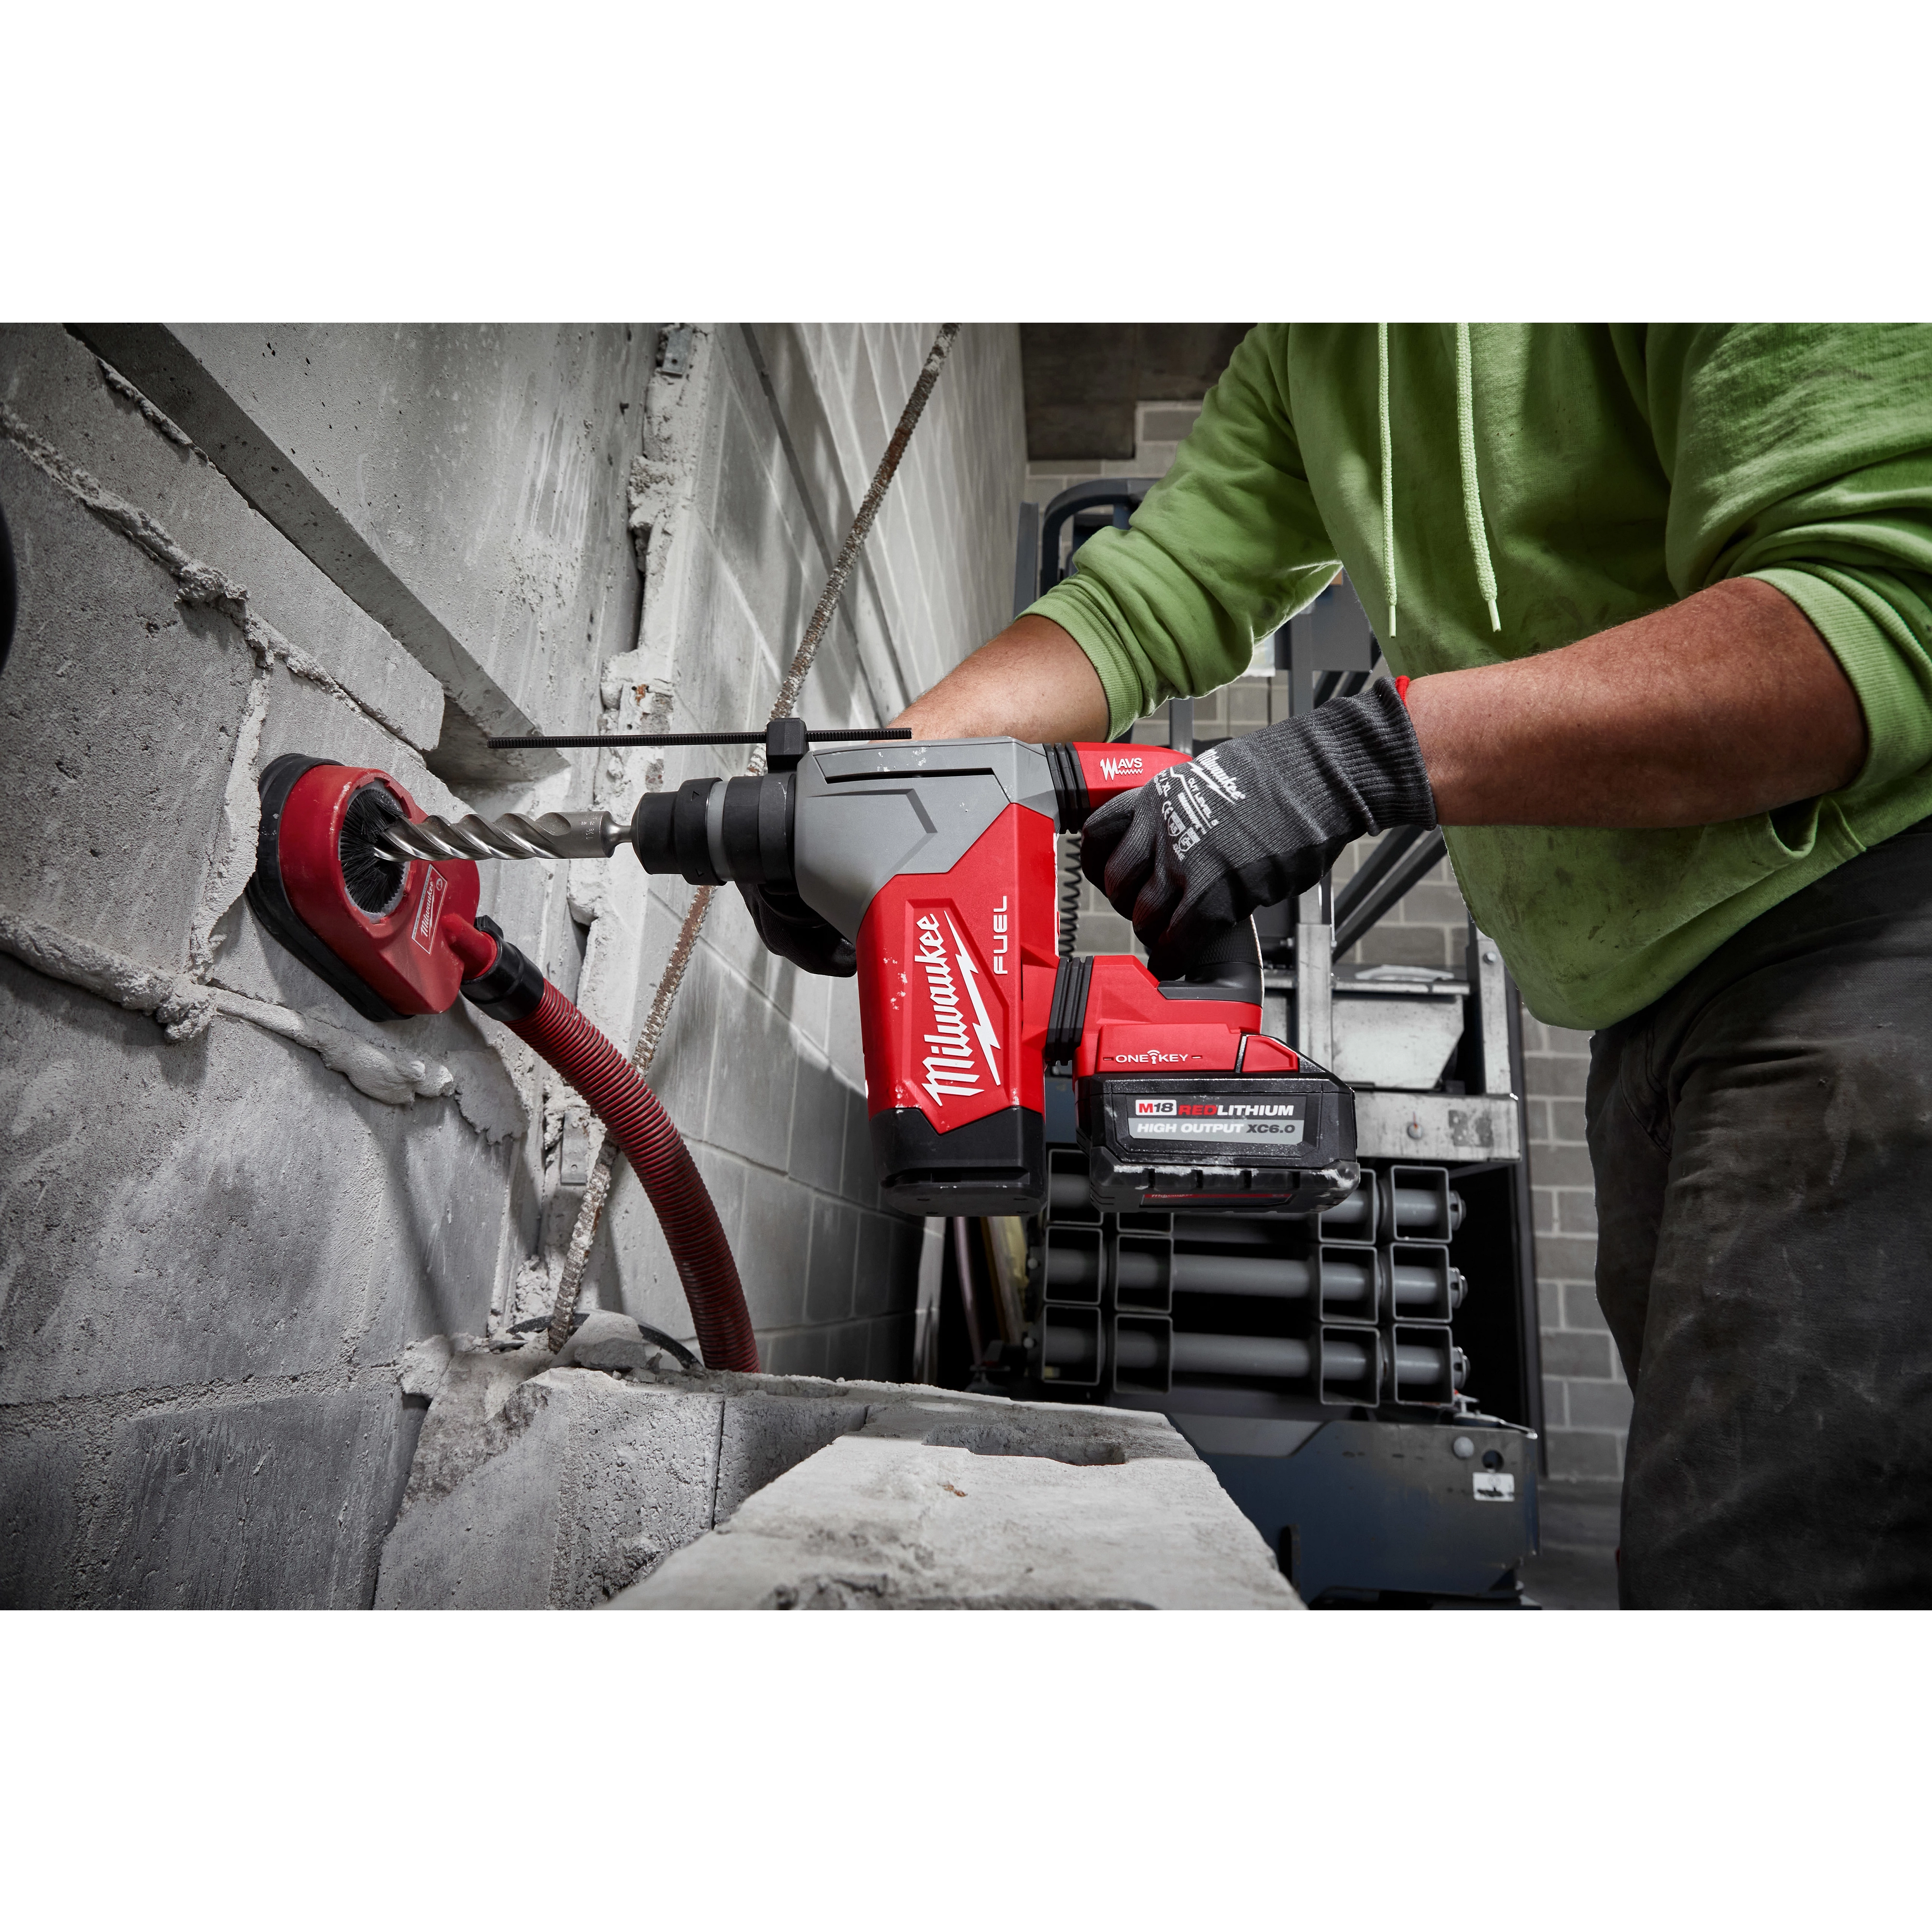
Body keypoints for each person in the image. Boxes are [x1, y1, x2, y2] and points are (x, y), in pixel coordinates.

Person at [758, 323, 1932, 1609]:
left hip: (1880, 944)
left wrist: (1353, 764)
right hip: (1650, 1012)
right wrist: (877, 790)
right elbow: (1141, 600)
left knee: (1767, 1572)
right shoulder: (1310, 353)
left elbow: (1877, 611)